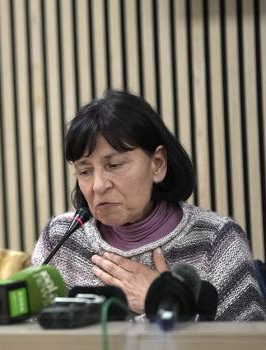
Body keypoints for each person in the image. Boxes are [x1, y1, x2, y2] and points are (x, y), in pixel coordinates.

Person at [31, 90, 266, 321]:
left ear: (157, 163)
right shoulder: (61, 238)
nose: (98, 186)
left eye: (114, 165)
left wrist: (165, 303)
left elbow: (246, 342)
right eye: (85, 171)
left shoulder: (216, 241)